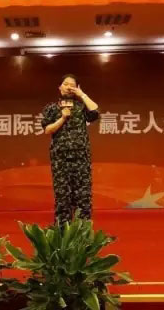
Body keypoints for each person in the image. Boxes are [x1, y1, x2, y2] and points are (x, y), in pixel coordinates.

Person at [41, 74, 99, 224]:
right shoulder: (51, 108)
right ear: (60, 87)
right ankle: (62, 234)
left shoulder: (81, 107)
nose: (68, 87)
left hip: (81, 160)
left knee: (83, 200)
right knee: (63, 200)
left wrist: (82, 94)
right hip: (60, 161)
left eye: (72, 85)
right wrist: (62, 118)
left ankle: (82, 234)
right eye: (66, 84)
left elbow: (95, 112)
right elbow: (47, 130)